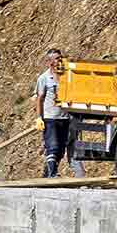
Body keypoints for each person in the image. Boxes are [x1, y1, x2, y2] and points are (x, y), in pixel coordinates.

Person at [35, 49, 85, 178]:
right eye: (56, 58)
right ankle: (52, 174)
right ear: (50, 62)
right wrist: (39, 118)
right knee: (53, 146)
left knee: (61, 149)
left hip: (66, 118)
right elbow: (39, 98)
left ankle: (47, 174)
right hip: (50, 117)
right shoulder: (44, 78)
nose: (59, 60)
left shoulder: (66, 76)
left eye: (60, 57)